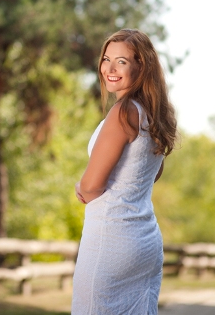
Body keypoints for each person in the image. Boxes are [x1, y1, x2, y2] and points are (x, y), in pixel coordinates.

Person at [71, 29, 177, 314]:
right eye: (107, 59)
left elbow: (91, 185)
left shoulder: (123, 112)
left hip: (111, 240)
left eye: (122, 61)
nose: (110, 69)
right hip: (145, 241)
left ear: (142, 66)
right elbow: (151, 174)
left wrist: (82, 187)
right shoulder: (153, 114)